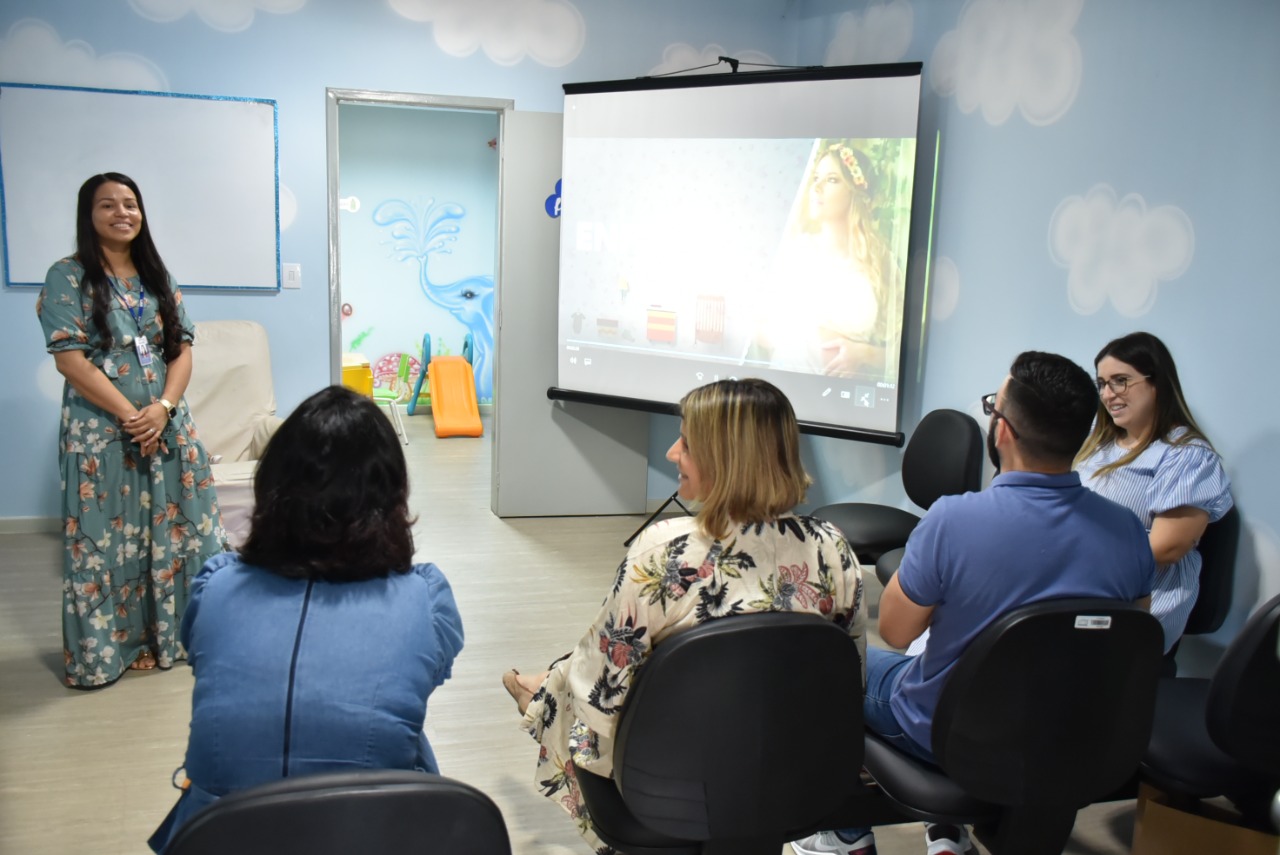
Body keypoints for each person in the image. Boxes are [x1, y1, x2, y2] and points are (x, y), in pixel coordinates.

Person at [793, 351, 1156, 855]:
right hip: (1068, 736)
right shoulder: (1129, 532)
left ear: (1001, 431)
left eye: (993, 407)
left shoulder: (953, 520)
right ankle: (947, 831)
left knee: (831, 663)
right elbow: (1125, 635)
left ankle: (845, 833)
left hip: (949, 734)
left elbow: (896, 632)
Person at [503, 378, 865, 854]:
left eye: (686, 443)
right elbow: (850, 677)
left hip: (667, 786)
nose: (673, 453)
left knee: (575, 680)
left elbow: (600, 697)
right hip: (792, 774)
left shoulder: (666, 553)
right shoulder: (831, 548)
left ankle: (540, 688)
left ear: (726, 459)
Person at [147, 385, 464, 853]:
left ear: (271, 486)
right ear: (391, 494)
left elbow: (201, 653)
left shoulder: (214, 587)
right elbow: (418, 678)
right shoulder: (425, 599)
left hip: (219, 835)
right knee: (406, 740)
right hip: (369, 832)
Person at [37, 172, 227, 688]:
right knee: (109, 542)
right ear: (89, 215)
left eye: (131, 203)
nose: (123, 212)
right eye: (108, 205)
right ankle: (114, 650)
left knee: (186, 533)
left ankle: (173, 638)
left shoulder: (157, 277)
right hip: (103, 434)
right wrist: (132, 415)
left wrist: (163, 408)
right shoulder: (66, 275)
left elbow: (182, 349)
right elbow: (71, 361)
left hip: (167, 425)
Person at [1075, 332, 1233, 659]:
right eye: (1102, 383)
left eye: (1121, 381)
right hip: (1081, 587)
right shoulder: (1097, 444)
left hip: (1141, 605)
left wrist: (1074, 559)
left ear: (1156, 382)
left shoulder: (1185, 455)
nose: (1108, 394)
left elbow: (1167, 547)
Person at [756, 139, 896, 378]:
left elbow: (903, 355)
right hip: (788, 385)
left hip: (850, 401)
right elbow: (760, 330)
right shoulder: (795, 251)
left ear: (856, 191)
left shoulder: (881, 261)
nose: (817, 187)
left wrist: (863, 354)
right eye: (815, 178)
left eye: (832, 179)